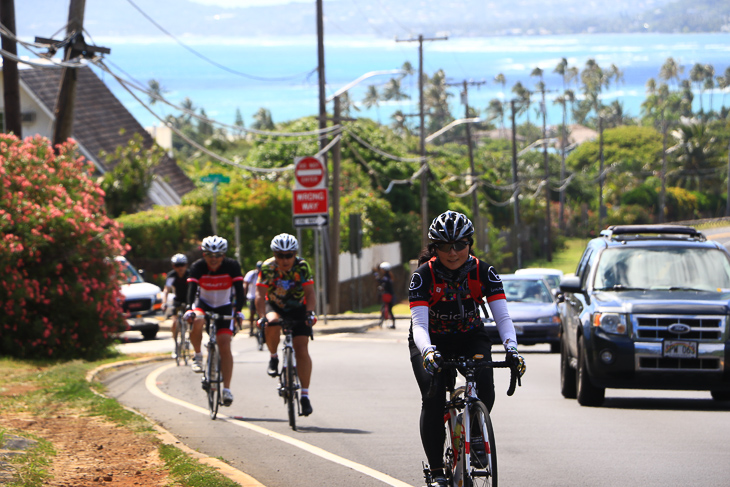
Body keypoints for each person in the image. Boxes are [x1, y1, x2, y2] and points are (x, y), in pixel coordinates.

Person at [408, 210, 526, 487]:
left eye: (459, 245)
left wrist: (512, 349)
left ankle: (475, 434)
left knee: (484, 381)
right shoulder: (422, 276)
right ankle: (437, 471)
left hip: (470, 336)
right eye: (445, 246)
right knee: (433, 397)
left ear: (469, 244)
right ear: (434, 248)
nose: (452, 252)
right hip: (431, 340)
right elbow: (419, 326)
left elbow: (503, 318)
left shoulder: (483, 271)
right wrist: (427, 351)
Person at [255, 233, 317, 416]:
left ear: (295, 254)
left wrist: (310, 313)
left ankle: (305, 396)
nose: (285, 260)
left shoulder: (302, 266)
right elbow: (260, 294)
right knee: (272, 322)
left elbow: (310, 293)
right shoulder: (267, 268)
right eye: (280, 255)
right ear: (274, 255)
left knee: (302, 348)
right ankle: (274, 356)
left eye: (289, 255)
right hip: (275, 305)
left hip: (298, 307)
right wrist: (261, 316)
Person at [183, 236, 245, 407]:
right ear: (204, 254)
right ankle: (197, 356)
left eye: (218, 255)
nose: (214, 259)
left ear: (224, 255)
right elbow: (192, 289)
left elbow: (240, 292)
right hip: (204, 304)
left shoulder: (232, 266)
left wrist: (238, 311)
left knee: (224, 344)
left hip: (224, 306)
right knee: (198, 320)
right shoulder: (198, 267)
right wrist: (189, 308)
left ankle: (226, 389)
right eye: (210, 254)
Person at [161, 253, 190, 359]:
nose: (180, 268)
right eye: (177, 265)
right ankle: (176, 344)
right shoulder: (171, 275)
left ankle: (188, 340)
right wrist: (164, 303)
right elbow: (166, 290)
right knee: (174, 323)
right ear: (174, 266)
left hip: (189, 301)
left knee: (193, 322)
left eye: (182, 265)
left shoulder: (190, 274)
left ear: (186, 265)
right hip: (177, 301)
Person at [243, 261, 263, 336]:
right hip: (251, 296)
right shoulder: (251, 274)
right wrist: (244, 296)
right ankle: (251, 328)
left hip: (261, 297)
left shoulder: (264, 274)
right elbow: (245, 285)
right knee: (252, 313)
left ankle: (261, 329)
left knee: (260, 314)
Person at [375, 261, 396, 329]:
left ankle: (391, 323)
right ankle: (391, 323)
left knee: (387, 309)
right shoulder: (388, 277)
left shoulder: (386, 278)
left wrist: (377, 279)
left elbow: (383, 283)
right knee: (388, 309)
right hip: (390, 295)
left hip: (388, 296)